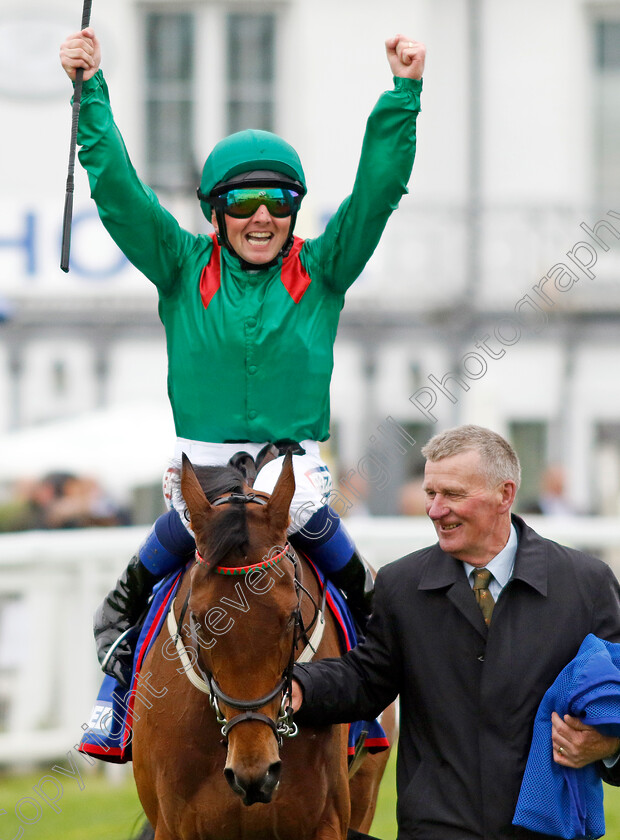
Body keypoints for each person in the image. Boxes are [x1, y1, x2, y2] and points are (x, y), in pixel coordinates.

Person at [59, 29, 426, 687]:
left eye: (279, 202)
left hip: (294, 469)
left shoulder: (324, 268)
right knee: (192, 516)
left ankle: (372, 620)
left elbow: (377, 193)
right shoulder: (178, 264)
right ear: (214, 211)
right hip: (200, 468)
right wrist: (91, 92)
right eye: (243, 203)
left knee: (303, 509)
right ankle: (120, 630)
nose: (262, 218)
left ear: (295, 210)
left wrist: (403, 94)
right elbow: (117, 189)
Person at [291, 425, 620, 840]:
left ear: (505, 494)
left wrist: (609, 747)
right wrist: (299, 686)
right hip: (436, 828)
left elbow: (616, 701)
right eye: (431, 494)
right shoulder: (400, 584)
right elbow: (365, 680)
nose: (434, 509)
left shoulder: (587, 584)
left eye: (453, 495)